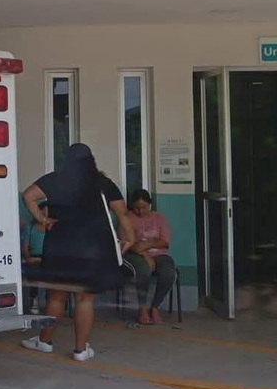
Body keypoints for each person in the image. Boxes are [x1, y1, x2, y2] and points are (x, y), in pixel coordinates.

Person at [19, 144, 136, 362]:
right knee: (84, 299)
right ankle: (81, 350)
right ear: (91, 160)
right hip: (93, 247)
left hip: (60, 245)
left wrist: (42, 219)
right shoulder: (102, 183)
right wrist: (130, 237)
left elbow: (28, 196)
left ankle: (44, 342)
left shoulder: (55, 179)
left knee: (56, 296)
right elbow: (123, 213)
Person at [124, 189, 176, 325]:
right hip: (135, 255)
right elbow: (128, 243)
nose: (140, 211)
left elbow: (164, 241)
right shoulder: (127, 218)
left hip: (159, 254)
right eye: (136, 208)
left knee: (169, 272)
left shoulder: (158, 218)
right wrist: (145, 254)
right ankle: (142, 309)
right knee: (143, 270)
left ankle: (155, 307)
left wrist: (147, 244)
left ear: (150, 205)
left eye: (144, 207)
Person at [20, 212, 47, 314]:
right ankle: (34, 300)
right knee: (33, 272)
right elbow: (25, 248)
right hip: (33, 258)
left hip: (48, 258)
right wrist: (29, 258)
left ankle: (51, 301)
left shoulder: (51, 227)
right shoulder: (29, 228)